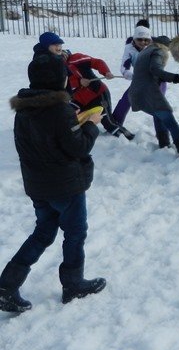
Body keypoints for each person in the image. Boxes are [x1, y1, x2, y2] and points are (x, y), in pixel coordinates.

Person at [0, 53, 106, 313]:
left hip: (38, 184)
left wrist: (72, 120)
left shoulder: (24, 108)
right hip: (65, 186)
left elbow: (40, 141)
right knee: (75, 232)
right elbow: (78, 147)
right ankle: (73, 283)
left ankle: (6, 285)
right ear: (60, 79)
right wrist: (91, 124)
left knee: (44, 232)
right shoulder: (60, 110)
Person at [128, 35, 179, 157]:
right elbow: (156, 70)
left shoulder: (146, 51)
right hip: (147, 91)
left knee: (159, 115)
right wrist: (176, 78)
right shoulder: (159, 51)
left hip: (136, 92)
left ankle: (164, 143)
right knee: (168, 118)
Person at [64, 48, 134, 140]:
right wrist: (78, 82)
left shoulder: (76, 58)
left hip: (98, 94)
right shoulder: (55, 68)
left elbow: (96, 62)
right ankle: (71, 136)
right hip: (79, 100)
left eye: (62, 52)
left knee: (108, 122)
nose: (61, 56)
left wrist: (106, 72)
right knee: (66, 114)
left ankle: (128, 138)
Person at [112, 20, 157, 128]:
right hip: (139, 80)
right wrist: (128, 73)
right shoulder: (129, 48)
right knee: (126, 99)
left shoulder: (155, 47)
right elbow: (124, 65)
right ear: (134, 37)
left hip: (156, 80)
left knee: (157, 106)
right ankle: (115, 124)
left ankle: (163, 135)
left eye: (146, 40)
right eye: (139, 39)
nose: (142, 42)